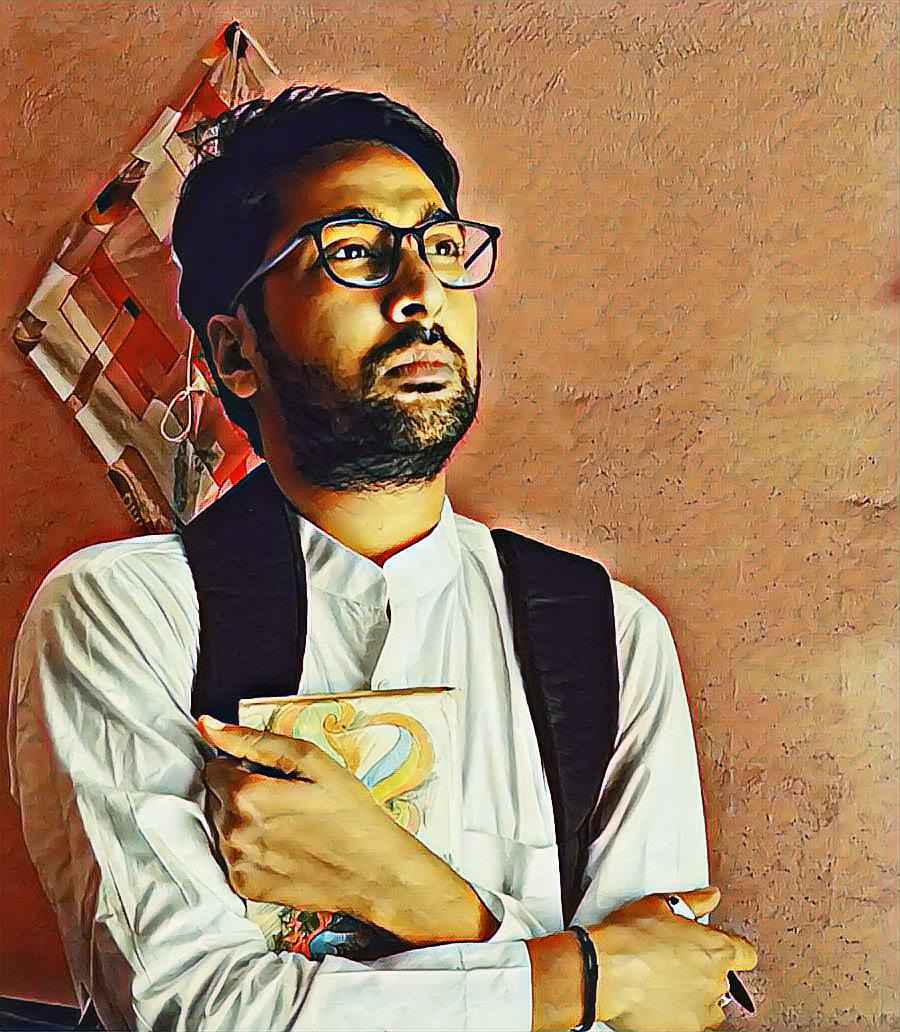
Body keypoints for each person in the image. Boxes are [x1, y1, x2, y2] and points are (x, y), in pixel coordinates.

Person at [8, 85, 757, 1032]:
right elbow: (194, 1011)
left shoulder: (609, 634)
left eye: (440, 247)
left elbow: (670, 1006)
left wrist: (404, 886)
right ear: (236, 354)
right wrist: (588, 978)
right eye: (355, 252)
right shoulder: (129, 614)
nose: (421, 294)